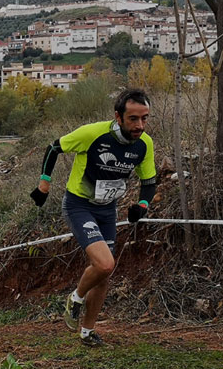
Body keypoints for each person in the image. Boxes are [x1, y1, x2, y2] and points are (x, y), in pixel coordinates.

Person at [30, 89, 157, 346]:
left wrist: (142, 205)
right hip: (79, 205)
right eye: (133, 119)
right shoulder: (93, 134)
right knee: (106, 264)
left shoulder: (145, 144)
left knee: (103, 273)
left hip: (107, 209)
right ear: (118, 117)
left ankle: (87, 332)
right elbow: (54, 148)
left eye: (144, 118)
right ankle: (75, 298)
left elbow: (149, 181)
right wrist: (44, 183)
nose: (140, 125)